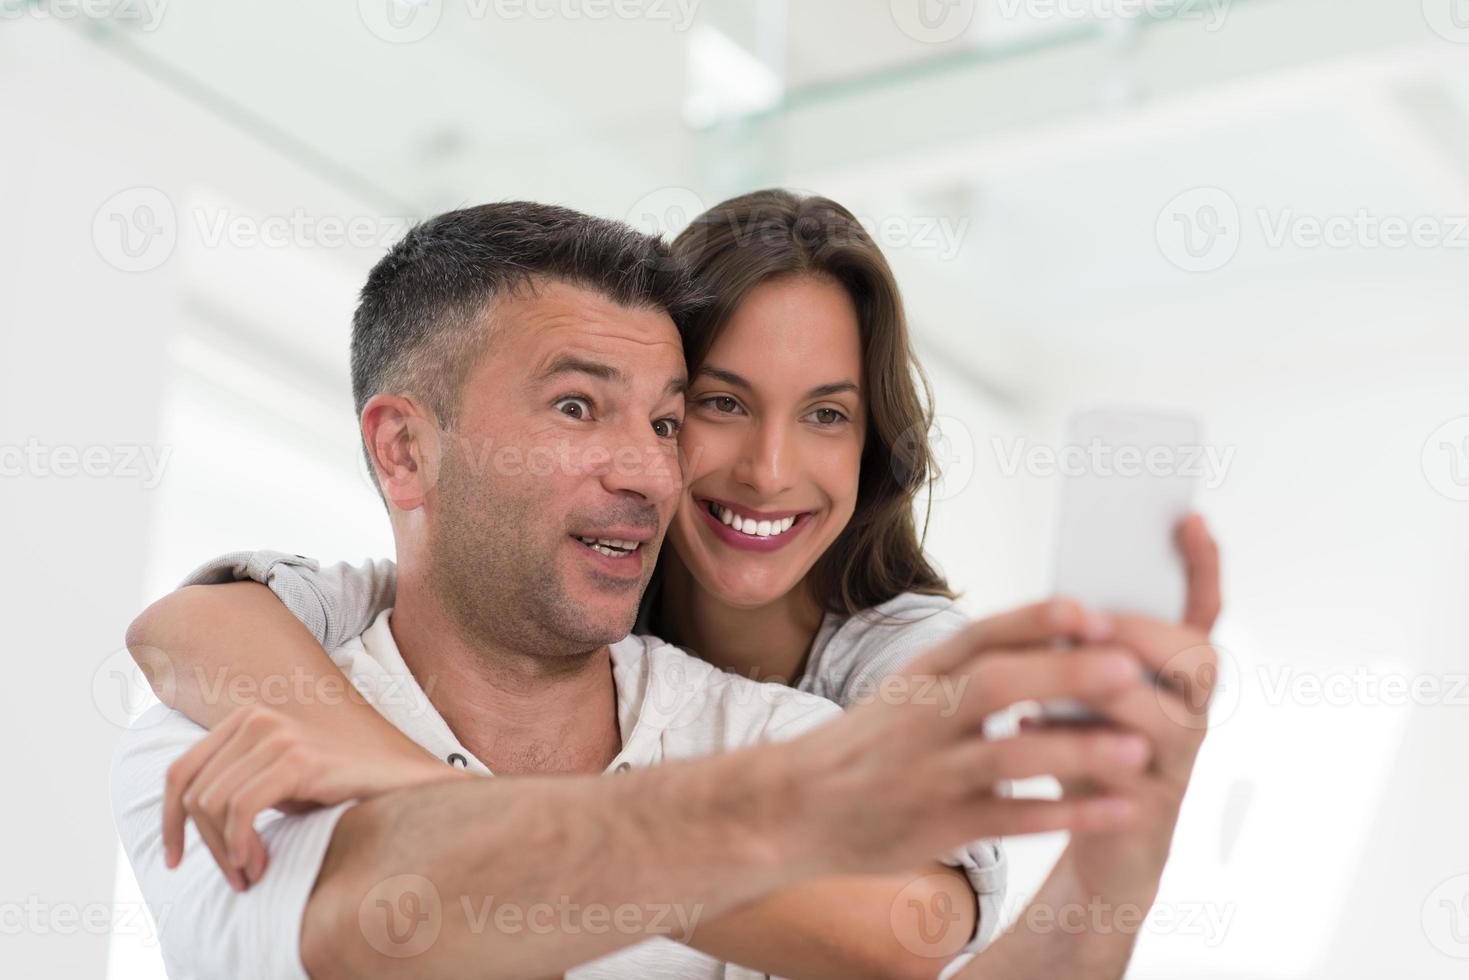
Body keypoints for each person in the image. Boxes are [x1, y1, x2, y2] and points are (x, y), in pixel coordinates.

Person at [117, 198, 1219, 979]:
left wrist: (1111, 862)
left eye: (659, 417)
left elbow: (904, 936)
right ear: (404, 452)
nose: (653, 467)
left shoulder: (810, 718)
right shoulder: (229, 722)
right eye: (577, 407)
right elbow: (371, 927)